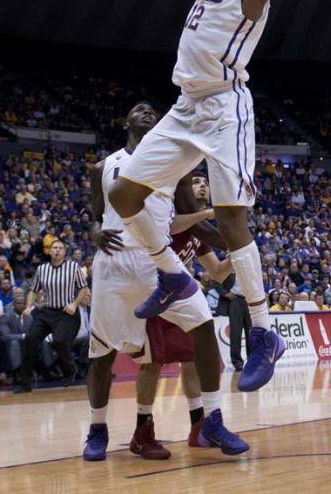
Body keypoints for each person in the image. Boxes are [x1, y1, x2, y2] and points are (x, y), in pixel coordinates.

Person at [109, 0, 314, 393]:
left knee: (229, 217)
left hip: (225, 107)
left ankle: (265, 333)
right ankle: (172, 274)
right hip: (184, 106)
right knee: (124, 193)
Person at [84, 103, 248, 462]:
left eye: (151, 111)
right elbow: (95, 216)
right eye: (138, 110)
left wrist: (237, 239)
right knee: (102, 353)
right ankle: (97, 430)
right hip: (115, 263)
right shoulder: (103, 166)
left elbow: (197, 225)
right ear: (125, 121)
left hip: (160, 260)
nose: (145, 112)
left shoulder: (177, 166)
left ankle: (212, 420)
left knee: (204, 325)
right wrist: (95, 233)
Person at [13, 239, 89, 393]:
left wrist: (74, 304)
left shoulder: (73, 267)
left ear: (64, 252)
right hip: (47, 311)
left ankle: (70, 371)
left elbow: (84, 289)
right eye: (54, 247)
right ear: (49, 251)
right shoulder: (42, 269)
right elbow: (34, 290)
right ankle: (25, 382)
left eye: (60, 248)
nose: (57, 250)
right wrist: (28, 307)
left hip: (66, 312)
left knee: (60, 340)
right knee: (30, 339)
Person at [0, 294, 33, 380]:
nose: (21, 305)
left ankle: (47, 368)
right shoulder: (6, 317)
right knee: (14, 343)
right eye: (19, 303)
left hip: (26, 344)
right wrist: (23, 336)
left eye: (23, 303)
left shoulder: (29, 317)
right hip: (8, 345)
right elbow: (5, 336)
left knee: (42, 342)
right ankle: (17, 372)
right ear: (13, 305)